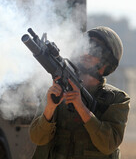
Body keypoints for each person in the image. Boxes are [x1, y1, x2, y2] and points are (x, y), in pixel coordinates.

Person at [29, 26, 130, 159]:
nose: (86, 53)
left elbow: (108, 144)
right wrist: (50, 108)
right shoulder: (57, 90)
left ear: (108, 60)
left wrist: (81, 107)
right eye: (84, 47)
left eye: (94, 50)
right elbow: (37, 138)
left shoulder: (116, 99)